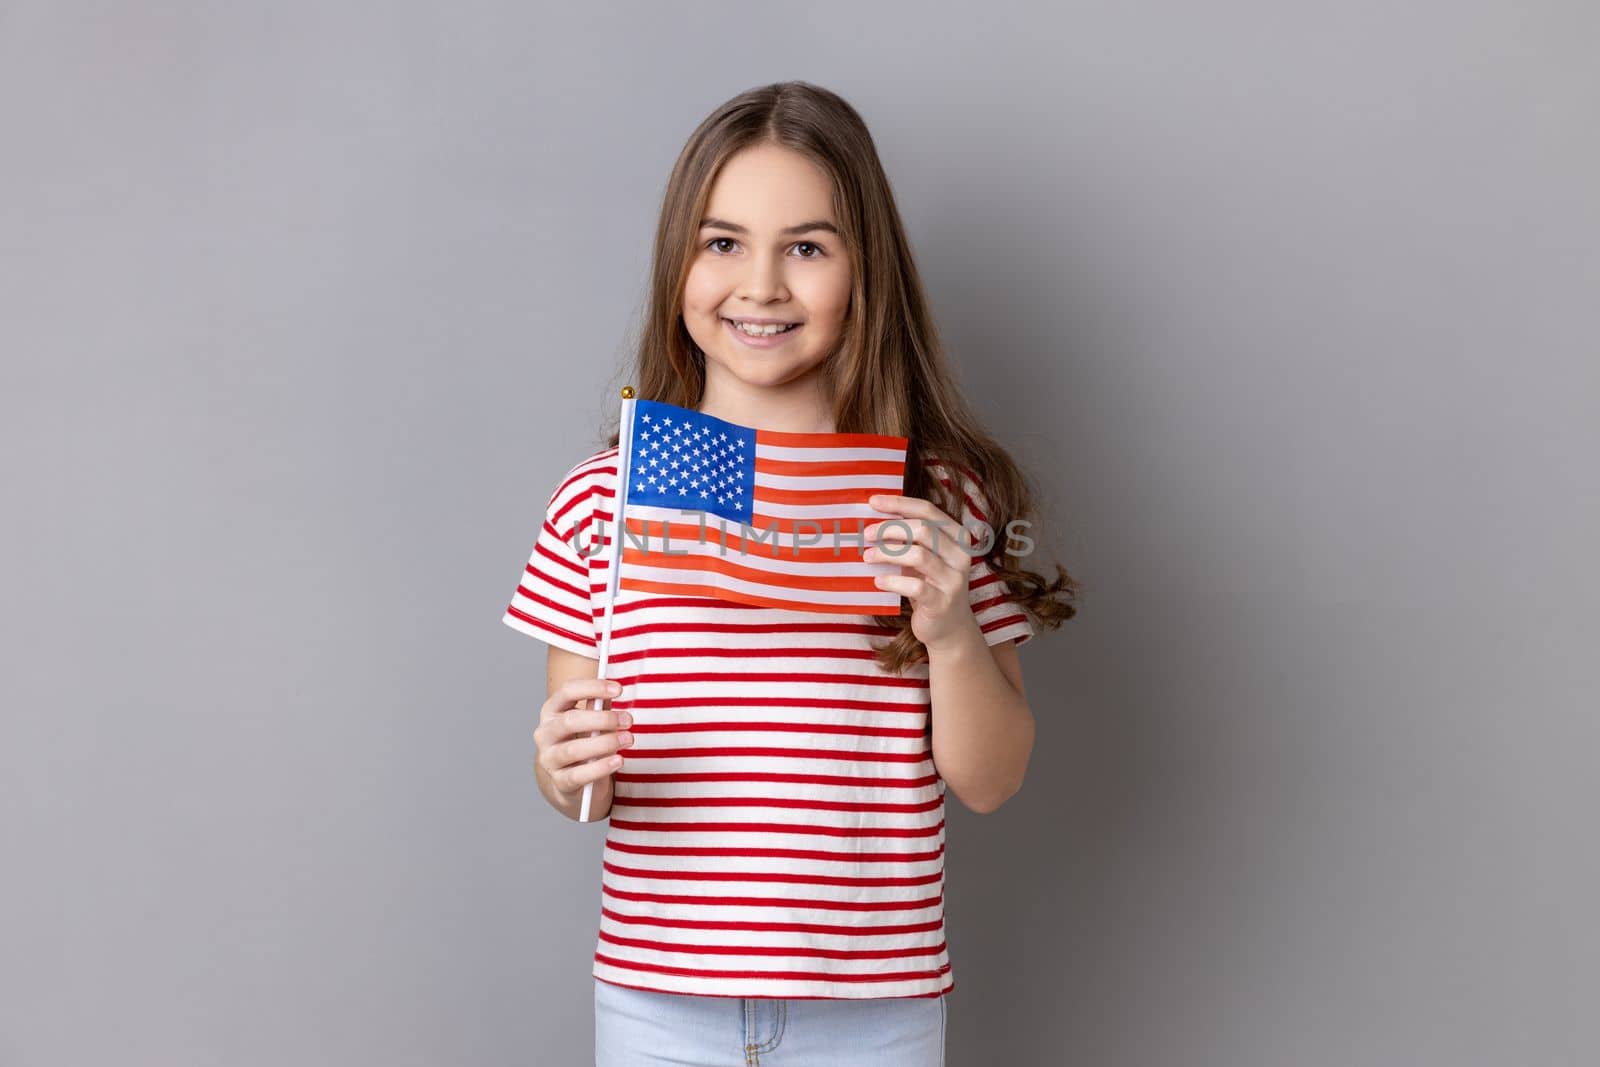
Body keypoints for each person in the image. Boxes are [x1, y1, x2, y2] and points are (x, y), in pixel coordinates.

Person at [500, 80, 1079, 1067]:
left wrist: (946, 625)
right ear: (677, 262)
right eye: (721, 242)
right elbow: (584, 783)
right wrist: (559, 764)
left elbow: (991, 777)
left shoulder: (936, 502)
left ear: (865, 273)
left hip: (875, 1004)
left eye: (805, 247)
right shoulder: (603, 501)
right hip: (656, 996)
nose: (759, 285)